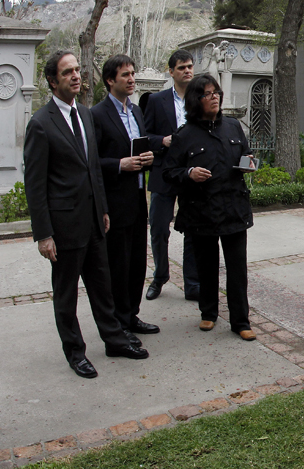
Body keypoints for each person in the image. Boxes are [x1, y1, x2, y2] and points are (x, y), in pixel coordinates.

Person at [24, 51, 149, 379]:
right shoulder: (41, 123)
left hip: (94, 221)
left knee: (102, 287)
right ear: (53, 81)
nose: (76, 76)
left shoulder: (84, 114)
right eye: (68, 72)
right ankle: (75, 352)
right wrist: (43, 234)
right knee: (66, 295)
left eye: (77, 70)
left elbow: (93, 167)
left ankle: (114, 340)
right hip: (64, 226)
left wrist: (103, 209)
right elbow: (35, 185)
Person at [163, 74, 257, 340]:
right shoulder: (185, 135)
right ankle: (208, 312)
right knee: (206, 266)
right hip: (201, 211)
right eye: (207, 93)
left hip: (234, 208)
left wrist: (248, 162)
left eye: (216, 92)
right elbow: (169, 172)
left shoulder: (233, 126)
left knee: (237, 269)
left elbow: (245, 154)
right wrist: (189, 173)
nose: (214, 97)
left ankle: (240, 321)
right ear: (196, 100)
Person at [91, 55, 160, 345]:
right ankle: (118, 323)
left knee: (136, 263)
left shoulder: (136, 111)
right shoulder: (97, 115)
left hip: (138, 199)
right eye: (125, 75)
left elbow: (139, 147)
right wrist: (120, 165)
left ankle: (132, 315)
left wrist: (148, 158)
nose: (131, 79)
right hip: (114, 202)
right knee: (118, 265)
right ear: (110, 80)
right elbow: (92, 162)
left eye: (132, 73)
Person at [144, 50, 199, 301]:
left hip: (191, 173)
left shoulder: (200, 98)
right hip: (164, 172)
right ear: (171, 72)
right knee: (158, 228)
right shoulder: (157, 101)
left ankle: (192, 283)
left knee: (192, 229)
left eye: (189, 67)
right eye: (181, 67)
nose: (187, 71)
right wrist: (162, 141)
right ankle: (159, 276)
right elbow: (145, 135)